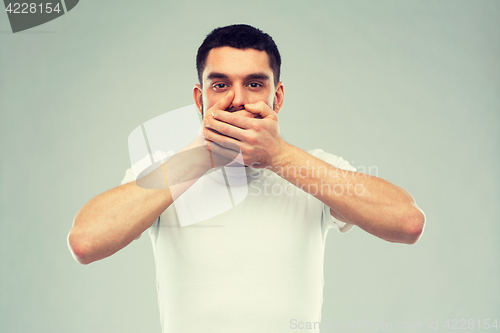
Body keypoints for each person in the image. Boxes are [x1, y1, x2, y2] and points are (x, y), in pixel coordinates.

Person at [68, 24, 425, 332]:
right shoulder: (163, 172)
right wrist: (200, 158)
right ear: (200, 99)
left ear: (277, 96)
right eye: (220, 85)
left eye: (254, 84)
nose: (237, 100)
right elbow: (85, 242)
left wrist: (280, 156)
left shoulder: (313, 168)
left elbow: (407, 222)